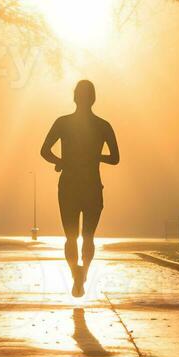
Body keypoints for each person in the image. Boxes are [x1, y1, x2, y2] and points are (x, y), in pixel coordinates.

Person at [40, 80, 119, 298]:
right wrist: (96, 157)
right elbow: (115, 158)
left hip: (69, 186)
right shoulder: (103, 126)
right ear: (94, 98)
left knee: (71, 237)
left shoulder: (63, 122)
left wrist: (62, 161)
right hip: (92, 186)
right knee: (88, 236)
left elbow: (44, 151)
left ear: (75, 97)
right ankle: (83, 272)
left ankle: (76, 272)